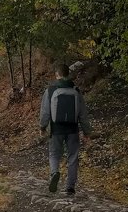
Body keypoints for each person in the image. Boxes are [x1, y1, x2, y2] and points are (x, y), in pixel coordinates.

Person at [39, 62, 92, 195]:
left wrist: (43, 126)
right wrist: (87, 131)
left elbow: (45, 111)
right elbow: (82, 113)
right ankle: (70, 186)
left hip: (56, 129)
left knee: (54, 154)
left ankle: (54, 173)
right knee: (73, 156)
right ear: (68, 74)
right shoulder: (76, 90)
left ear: (57, 75)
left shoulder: (50, 90)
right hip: (73, 129)